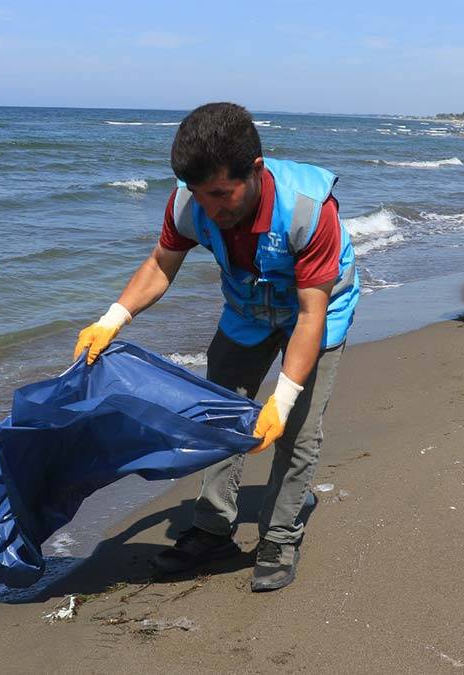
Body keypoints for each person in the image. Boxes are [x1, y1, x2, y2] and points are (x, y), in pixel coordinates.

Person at [73, 102, 359, 592]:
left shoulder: (309, 211)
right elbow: (161, 265)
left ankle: (280, 534)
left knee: (295, 432)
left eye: (222, 195)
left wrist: (282, 399)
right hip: (247, 309)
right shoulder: (189, 201)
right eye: (201, 197)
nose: (211, 209)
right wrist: (111, 320)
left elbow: (311, 315)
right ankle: (212, 527)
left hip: (316, 310)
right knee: (217, 415)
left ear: (256, 171)